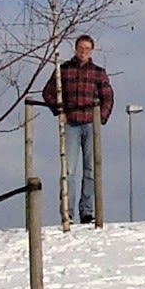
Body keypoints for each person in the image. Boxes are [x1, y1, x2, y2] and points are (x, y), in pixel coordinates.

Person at [40, 33, 113, 225]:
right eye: (81, 48)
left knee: (90, 170)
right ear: (76, 49)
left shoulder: (98, 72)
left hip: (90, 123)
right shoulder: (63, 70)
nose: (83, 52)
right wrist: (59, 110)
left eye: (87, 49)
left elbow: (108, 97)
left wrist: (101, 118)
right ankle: (67, 212)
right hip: (71, 123)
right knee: (69, 170)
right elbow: (47, 92)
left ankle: (87, 212)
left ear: (92, 51)